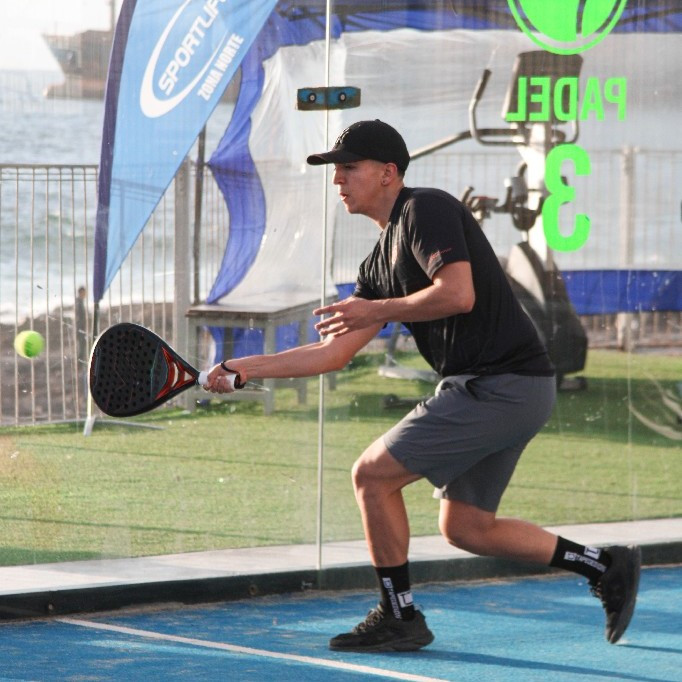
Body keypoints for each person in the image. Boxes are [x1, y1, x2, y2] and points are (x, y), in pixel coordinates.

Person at [204, 119, 641, 653]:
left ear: (388, 173)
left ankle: (399, 615)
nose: (338, 180)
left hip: (500, 385)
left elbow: (457, 294)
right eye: (335, 170)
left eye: (349, 167)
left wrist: (376, 310)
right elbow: (332, 353)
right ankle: (605, 566)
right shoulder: (378, 262)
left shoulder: (424, 209)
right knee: (467, 528)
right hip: (508, 388)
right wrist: (245, 367)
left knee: (371, 476)